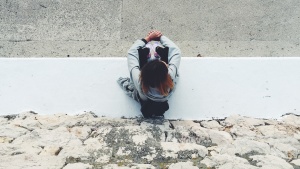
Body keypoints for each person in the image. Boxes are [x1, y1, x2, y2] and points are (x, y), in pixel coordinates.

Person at [118, 30, 181, 118]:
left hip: (145, 97)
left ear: (142, 74)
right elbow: (176, 52)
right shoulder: (170, 76)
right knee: (168, 55)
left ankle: (145, 54)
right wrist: (160, 38)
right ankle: (159, 52)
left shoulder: (139, 81)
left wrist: (148, 38)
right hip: (163, 93)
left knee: (139, 56)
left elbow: (132, 53)